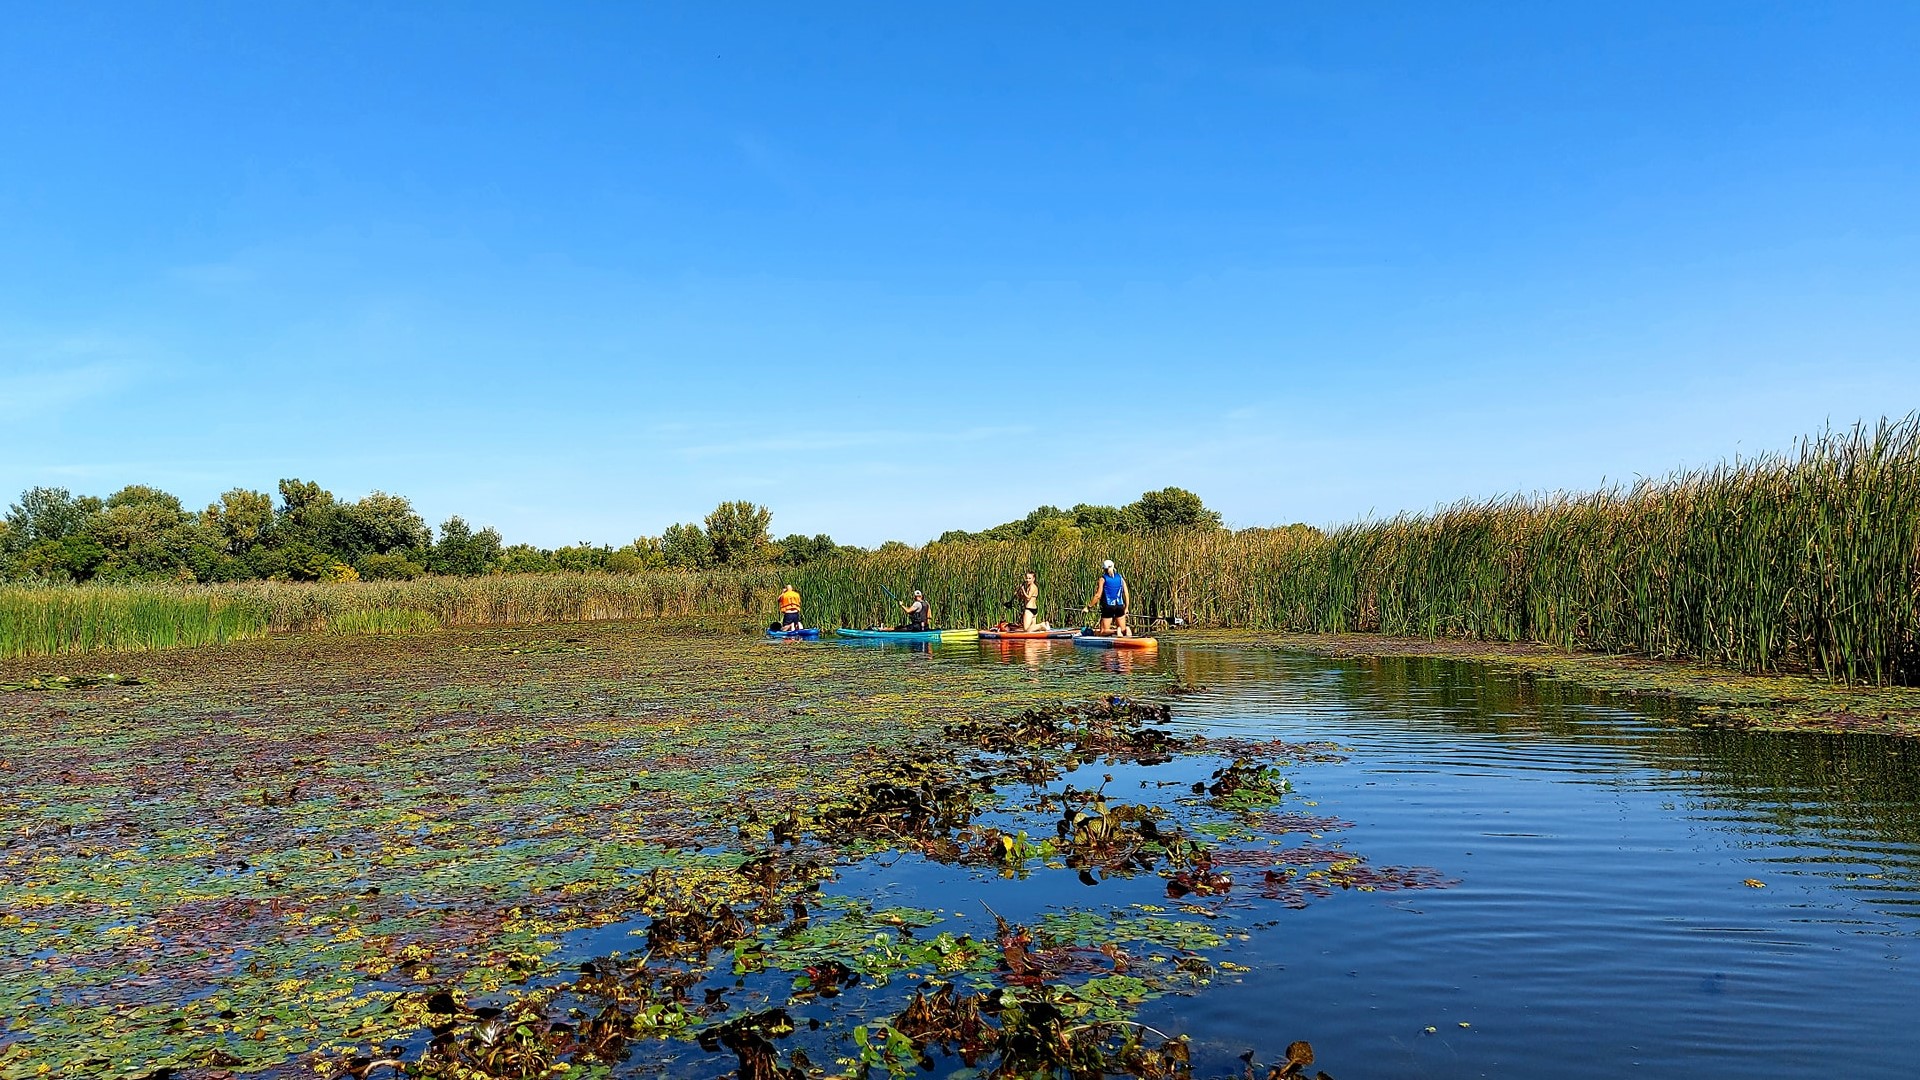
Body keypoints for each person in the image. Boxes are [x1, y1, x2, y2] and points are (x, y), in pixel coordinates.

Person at [1087, 559, 1130, 636]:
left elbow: (1098, 595)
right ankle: (1126, 630)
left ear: (1104, 569)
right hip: (1120, 606)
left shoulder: (1102, 579)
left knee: (1103, 631)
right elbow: (1126, 594)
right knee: (1123, 630)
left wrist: (1088, 607)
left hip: (1108, 607)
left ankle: (1115, 632)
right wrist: (1126, 608)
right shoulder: (1120, 578)